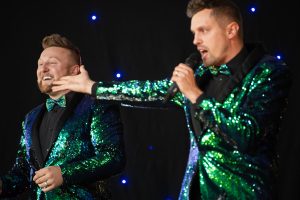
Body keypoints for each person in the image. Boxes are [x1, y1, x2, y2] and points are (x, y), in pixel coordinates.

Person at [52, 0, 292, 199]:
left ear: (231, 30)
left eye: (203, 31)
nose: (196, 40)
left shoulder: (269, 72)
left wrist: (196, 96)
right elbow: (147, 91)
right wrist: (92, 87)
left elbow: (246, 135)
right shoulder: (200, 73)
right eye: (193, 33)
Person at [0, 34, 125, 199]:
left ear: (75, 71)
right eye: (40, 64)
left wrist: (64, 173)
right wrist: (2, 185)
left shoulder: (97, 105)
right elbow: (23, 172)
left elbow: (113, 157)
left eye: (52, 63)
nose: (43, 69)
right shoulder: (30, 117)